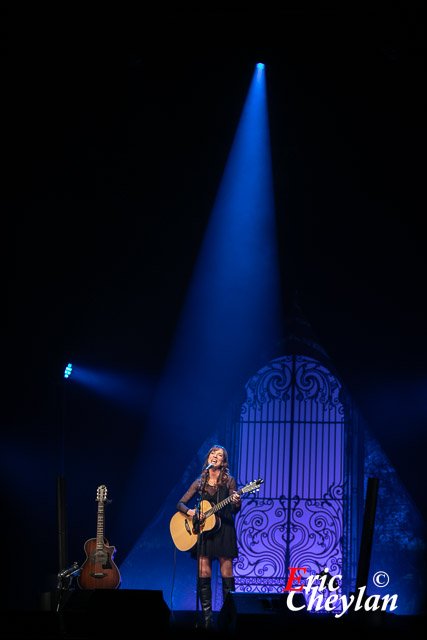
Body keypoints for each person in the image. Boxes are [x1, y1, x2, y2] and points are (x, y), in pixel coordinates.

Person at [176, 444, 241, 628]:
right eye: (213, 453)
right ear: (208, 458)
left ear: (223, 462)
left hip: (224, 529)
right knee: (204, 572)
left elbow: (235, 509)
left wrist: (237, 501)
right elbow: (180, 503)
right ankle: (206, 619)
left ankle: (228, 617)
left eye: (219, 455)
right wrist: (191, 513)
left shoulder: (229, 481)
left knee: (226, 572)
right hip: (204, 532)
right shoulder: (199, 482)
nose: (215, 456)